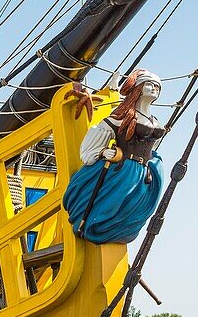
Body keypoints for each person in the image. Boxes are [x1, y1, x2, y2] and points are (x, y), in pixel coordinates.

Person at [62, 69, 165, 244]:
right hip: (124, 171)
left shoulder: (155, 121)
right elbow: (90, 146)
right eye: (149, 84)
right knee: (111, 209)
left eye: (157, 86)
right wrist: (103, 152)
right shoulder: (121, 117)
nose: (154, 88)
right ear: (138, 88)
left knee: (133, 211)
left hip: (145, 174)